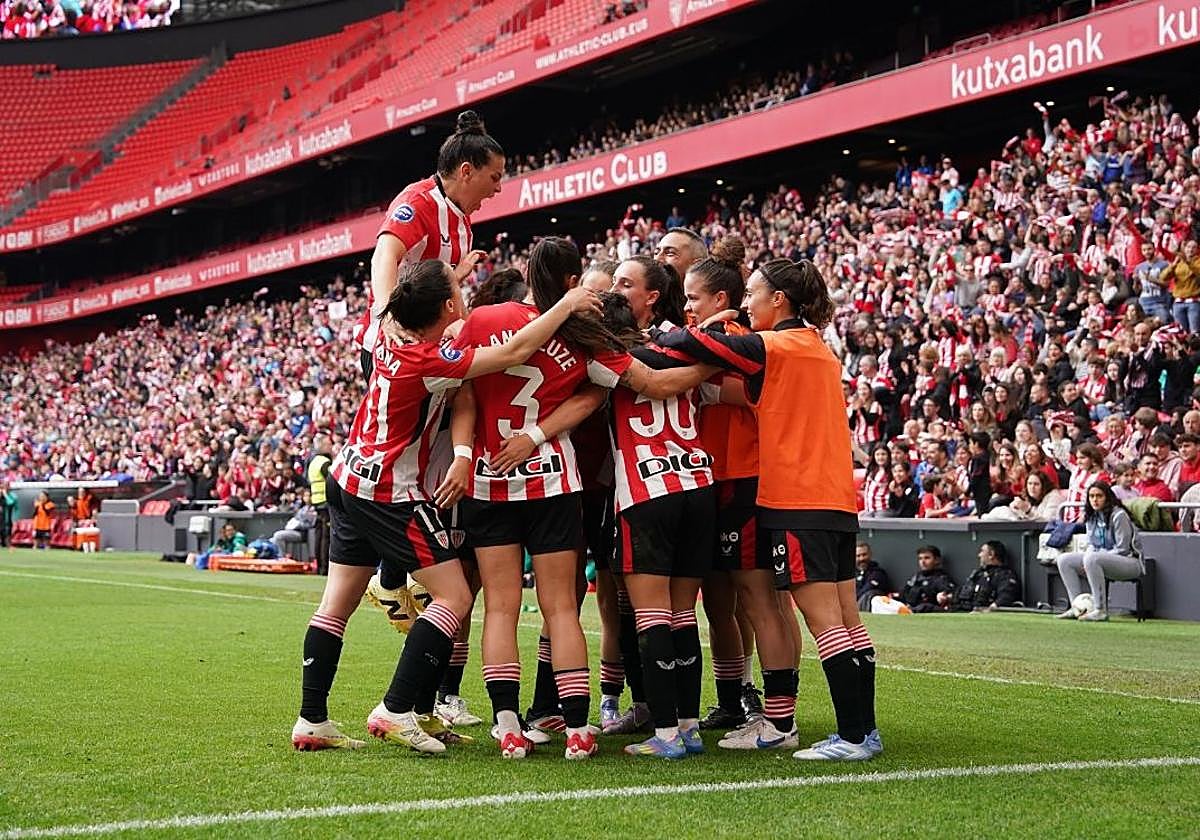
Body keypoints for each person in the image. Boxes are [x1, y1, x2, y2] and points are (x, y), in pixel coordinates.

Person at [290, 257, 601, 755]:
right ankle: (396, 709)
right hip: (388, 490)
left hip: (347, 476)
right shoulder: (431, 360)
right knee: (454, 597)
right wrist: (565, 304)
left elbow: (410, 299)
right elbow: (516, 350)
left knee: (335, 604)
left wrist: (454, 271)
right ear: (448, 306)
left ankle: (311, 718)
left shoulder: (385, 329)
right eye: (456, 290)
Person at [447, 238, 712, 759]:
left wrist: (461, 453)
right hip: (554, 481)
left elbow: (464, 390)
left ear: (528, 273)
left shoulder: (482, 319)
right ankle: (575, 727)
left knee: (500, 607)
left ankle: (508, 725)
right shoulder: (584, 333)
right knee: (562, 607)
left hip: (488, 477)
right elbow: (638, 385)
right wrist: (720, 360)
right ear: (573, 283)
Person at [653, 257, 881, 761]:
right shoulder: (818, 349)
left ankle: (850, 737)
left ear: (778, 299)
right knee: (848, 620)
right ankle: (864, 731)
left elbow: (688, 342)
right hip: (836, 498)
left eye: (751, 295)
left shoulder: (771, 346)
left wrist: (699, 323)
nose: (745, 305)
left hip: (798, 499)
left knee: (824, 622)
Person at [356, 110, 504, 380]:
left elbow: (428, 284)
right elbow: (383, 256)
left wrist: (454, 277)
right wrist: (388, 314)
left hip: (431, 348)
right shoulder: (418, 202)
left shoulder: (462, 217)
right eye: (495, 177)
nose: (499, 189)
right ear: (466, 171)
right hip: (394, 349)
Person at [1055, 481, 1144, 621]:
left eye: (1099, 496)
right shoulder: (1091, 516)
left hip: (1130, 562)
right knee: (1064, 560)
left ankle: (1100, 610)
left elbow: (1123, 549)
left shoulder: (1119, 515)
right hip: (1099, 559)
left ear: (1107, 497)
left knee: (1092, 559)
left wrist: (1092, 559)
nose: (1095, 500)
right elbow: (1091, 544)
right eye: (1091, 496)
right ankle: (1076, 607)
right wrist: (1089, 559)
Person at [950, 541, 1021, 611]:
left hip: (983, 614)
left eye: (982, 551)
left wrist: (988, 610)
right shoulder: (978, 574)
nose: (979, 555)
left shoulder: (1005, 575)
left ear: (991, 554)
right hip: (962, 610)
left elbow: (1005, 597)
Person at [897, 545, 956, 613]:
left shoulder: (941, 578)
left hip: (928, 611)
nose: (923, 562)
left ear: (936, 560)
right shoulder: (915, 577)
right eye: (920, 558)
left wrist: (945, 597)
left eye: (927, 558)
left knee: (925, 606)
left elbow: (952, 595)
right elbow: (903, 594)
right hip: (908, 608)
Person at [306, 435, 334, 576]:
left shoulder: (313, 462)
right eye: (328, 444)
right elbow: (332, 481)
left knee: (319, 534)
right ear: (322, 445)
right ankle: (324, 567)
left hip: (317, 500)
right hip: (325, 501)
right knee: (326, 536)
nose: (331, 446)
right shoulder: (324, 462)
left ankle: (319, 565)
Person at [854, 543, 891, 609]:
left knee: (870, 594)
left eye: (864, 555)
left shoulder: (878, 572)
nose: (861, 559)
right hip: (851, 606)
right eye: (858, 556)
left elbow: (868, 589)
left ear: (870, 554)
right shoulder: (850, 573)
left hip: (870, 608)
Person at [0, 480, 16, 548]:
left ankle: (8, 544)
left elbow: (10, 503)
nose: (4, 487)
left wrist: (5, 494)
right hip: (1, 517)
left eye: (6, 486)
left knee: (7, 530)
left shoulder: (12, 495)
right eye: (3, 486)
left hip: (8, 517)